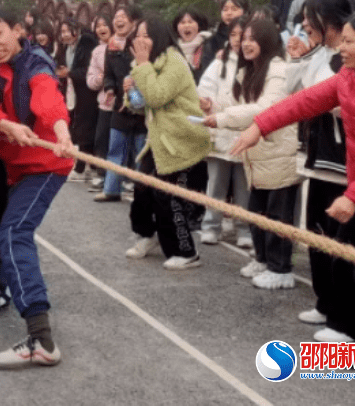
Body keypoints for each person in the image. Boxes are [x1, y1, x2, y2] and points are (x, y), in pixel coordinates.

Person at [232, 8, 355, 399]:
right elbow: (304, 102)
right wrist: (259, 125)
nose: (340, 48)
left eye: (349, 41)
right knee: (342, 268)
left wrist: (352, 197)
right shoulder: (350, 77)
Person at [0, 8, 73, 369]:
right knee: (0, 229)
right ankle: (5, 286)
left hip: (45, 165)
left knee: (13, 233)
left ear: (17, 30)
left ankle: (41, 339)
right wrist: (2, 123)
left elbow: (46, 96)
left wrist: (60, 130)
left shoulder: (35, 61)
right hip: (11, 164)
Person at [203, 18, 300, 290]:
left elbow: (265, 109)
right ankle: (262, 259)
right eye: (243, 37)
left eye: (253, 38)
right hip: (257, 154)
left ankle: (281, 269)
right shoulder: (249, 72)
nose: (246, 43)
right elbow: (236, 104)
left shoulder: (279, 70)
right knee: (257, 211)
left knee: (277, 215)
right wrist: (212, 106)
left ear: (268, 40)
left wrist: (222, 118)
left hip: (279, 151)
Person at [284, 0, 353, 339]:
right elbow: (291, 91)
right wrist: (299, 57)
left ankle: (345, 318)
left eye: (312, 18)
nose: (307, 25)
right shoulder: (321, 53)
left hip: (345, 163)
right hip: (318, 157)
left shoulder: (353, 52)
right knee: (315, 235)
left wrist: (320, 100)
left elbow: (342, 101)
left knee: (340, 243)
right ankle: (326, 303)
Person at [125, 17, 211, 269]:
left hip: (182, 141)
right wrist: (129, 92)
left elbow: (157, 95)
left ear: (159, 36)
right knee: (141, 190)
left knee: (171, 200)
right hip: (159, 142)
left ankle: (186, 252)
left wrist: (141, 67)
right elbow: (140, 103)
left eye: (145, 35)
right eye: (137, 35)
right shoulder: (147, 63)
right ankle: (147, 234)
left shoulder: (173, 61)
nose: (140, 41)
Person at [196, 16, 251, 247]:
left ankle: (244, 229)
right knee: (216, 183)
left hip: (247, 132)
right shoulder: (220, 62)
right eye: (234, 35)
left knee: (244, 186)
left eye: (244, 35)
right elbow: (205, 89)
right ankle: (211, 225)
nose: (239, 40)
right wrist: (208, 105)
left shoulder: (258, 63)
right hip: (221, 130)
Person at [95, 5, 146, 202]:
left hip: (141, 104)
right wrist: (109, 88)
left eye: (124, 16)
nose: (119, 20)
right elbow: (108, 73)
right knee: (115, 149)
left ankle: (142, 194)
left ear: (133, 22)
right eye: (116, 16)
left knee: (140, 152)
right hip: (119, 105)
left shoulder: (140, 44)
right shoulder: (111, 45)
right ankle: (111, 189)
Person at [55, 20, 97, 181]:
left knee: (84, 129)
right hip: (72, 91)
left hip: (87, 93)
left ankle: (83, 168)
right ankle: (85, 166)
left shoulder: (86, 42)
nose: (65, 34)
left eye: (68, 30)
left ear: (76, 30)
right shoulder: (66, 47)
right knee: (75, 127)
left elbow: (89, 69)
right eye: (62, 31)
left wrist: (70, 72)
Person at [86, 14, 113, 190]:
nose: (101, 28)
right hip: (104, 103)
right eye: (98, 25)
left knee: (119, 143)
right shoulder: (97, 51)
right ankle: (103, 175)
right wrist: (99, 79)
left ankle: (123, 178)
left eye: (105, 24)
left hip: (125, 104)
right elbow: (91, 79)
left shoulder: (126, 46)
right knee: (101, 140)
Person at [171, 7, 212, 83]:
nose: (186, 25)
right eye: (182, 22)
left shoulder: (210, 46)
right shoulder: (171, 50)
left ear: (199, 25)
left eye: (190, 22)